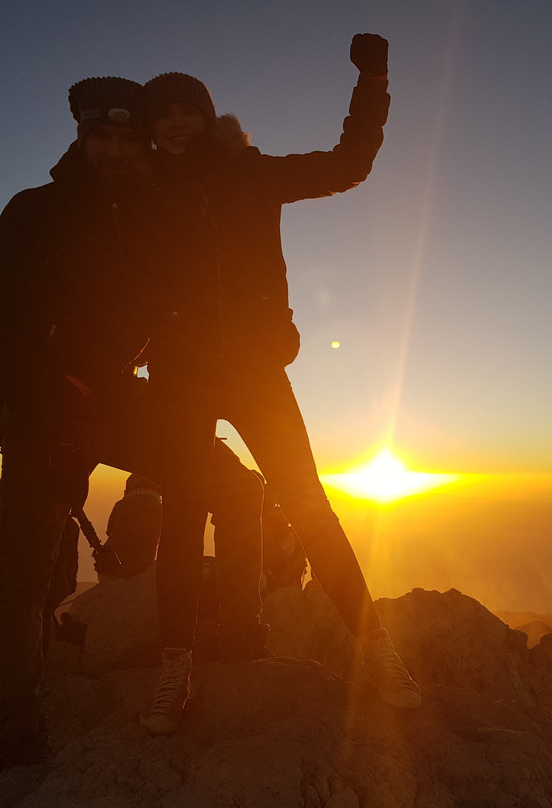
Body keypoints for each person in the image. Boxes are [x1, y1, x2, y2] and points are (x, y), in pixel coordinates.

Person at [139, 32, 422, 723]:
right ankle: (175, 666)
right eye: (165, 113)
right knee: (179, 523)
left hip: (252, 368)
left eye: (189, 110)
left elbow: (349, 163)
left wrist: (373, 81)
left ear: (206, 119)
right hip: (180, 377)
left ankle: (373, 649)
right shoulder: (138, 196)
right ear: (152, 126)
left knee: (307, 504)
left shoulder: (251, 175)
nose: (177, 122)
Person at [0, 76, 221, 762]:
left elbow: (154, 312)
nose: (113, 149)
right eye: (100, 136)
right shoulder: (33, 211)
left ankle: (223, 635)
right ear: (81, 138)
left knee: (229, 484)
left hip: (109, 398)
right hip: (41, 411)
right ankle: (17, 722)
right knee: (24, 569)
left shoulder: (148, 215)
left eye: (125, 138)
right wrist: (29, 416)